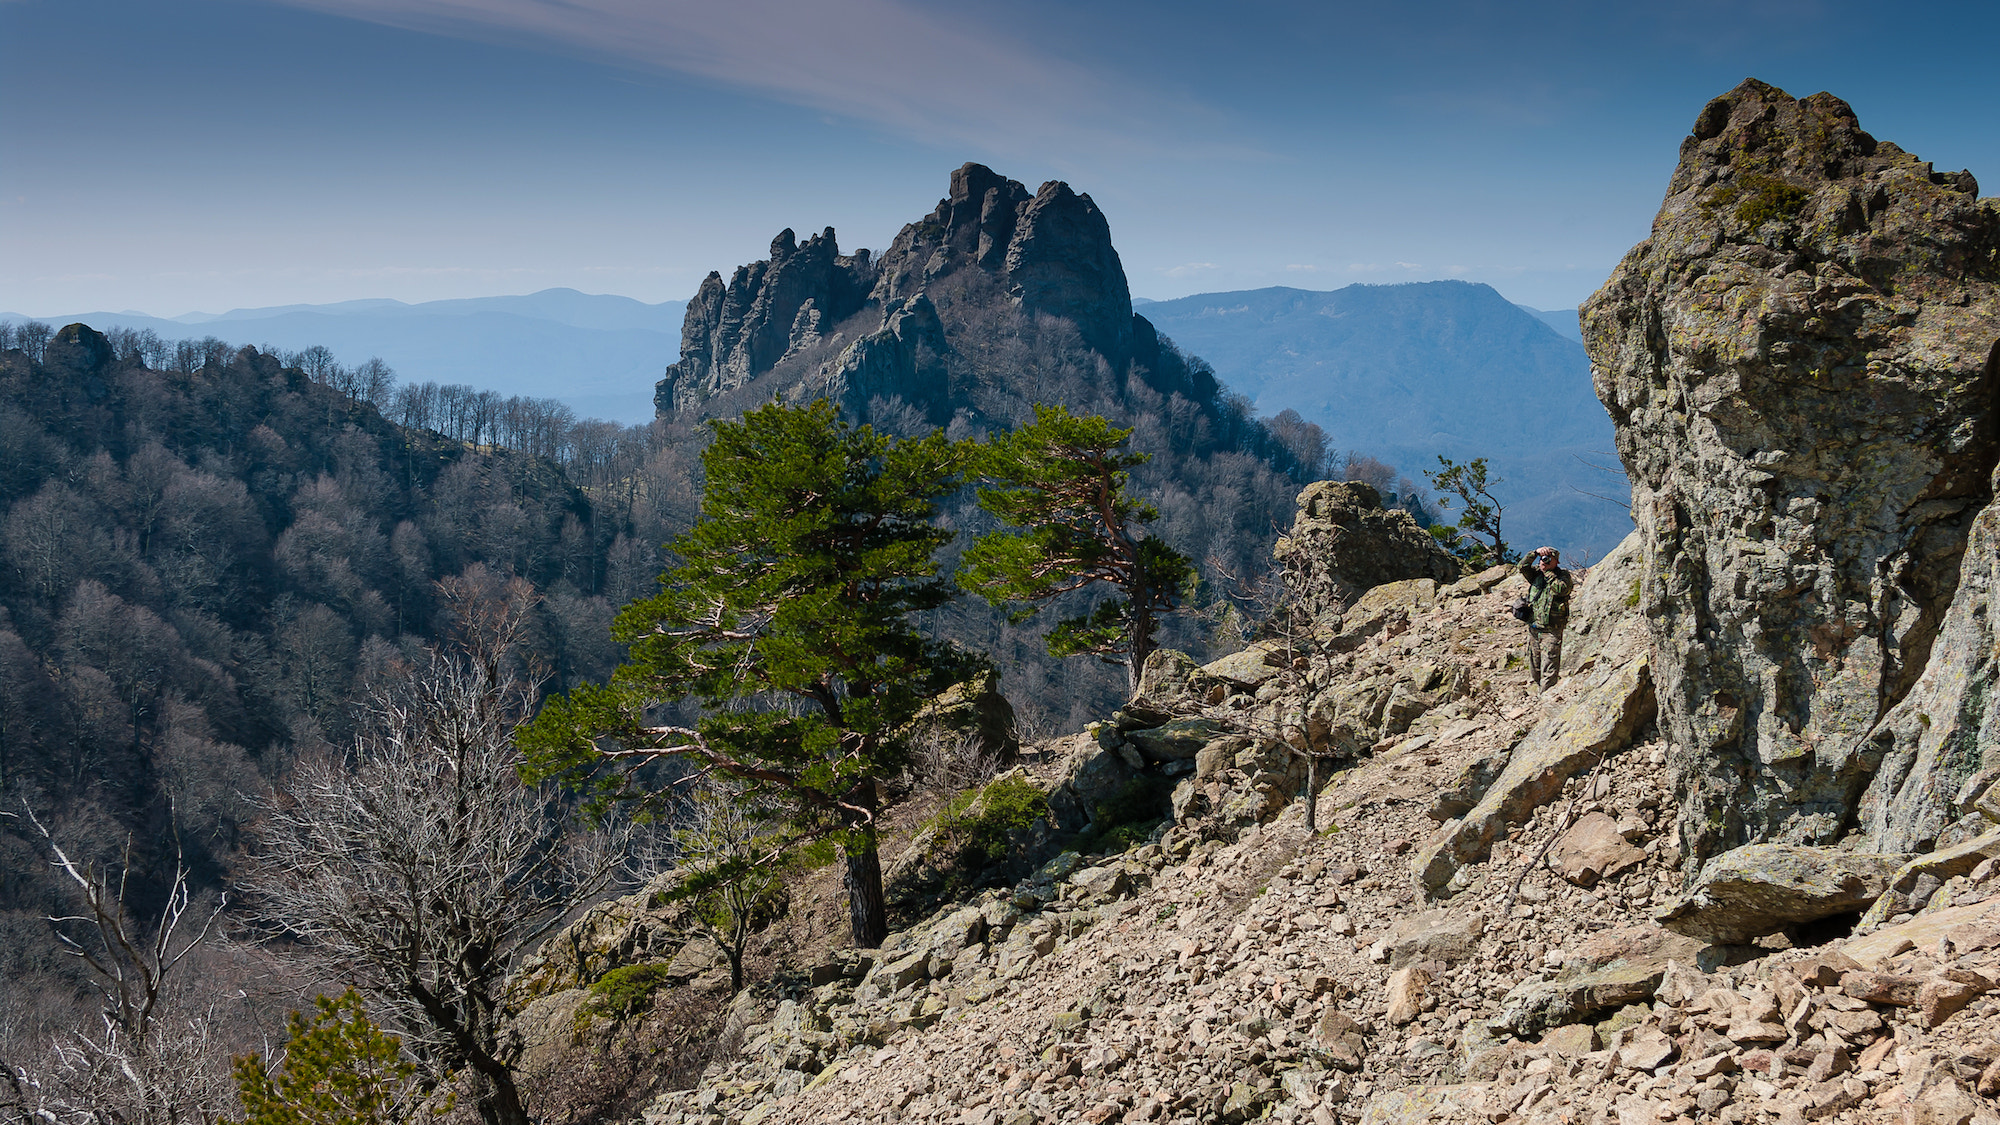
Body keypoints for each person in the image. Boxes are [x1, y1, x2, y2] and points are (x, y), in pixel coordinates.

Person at [1519, 546, 1571, 690]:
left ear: (1556, 562)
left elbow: (1561, 589)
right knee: (1535, 666)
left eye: (1548, 559)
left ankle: (1546, 696)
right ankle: (1537, 690)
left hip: (1552, 630)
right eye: (1542, 559)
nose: (1543, 562)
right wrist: (1534, 553)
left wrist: (1548, 573)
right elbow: (1522, 566)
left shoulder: (1563, 576)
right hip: (1534, 628)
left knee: (1549, 666)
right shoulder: (1535, 574)